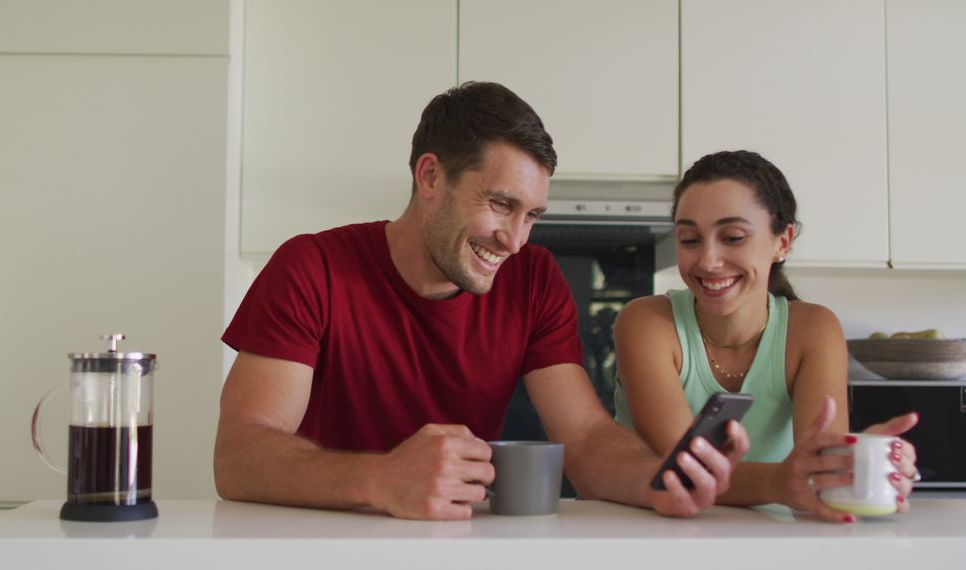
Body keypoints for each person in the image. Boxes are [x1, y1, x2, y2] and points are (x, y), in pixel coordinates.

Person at [214, 81, 750, 520]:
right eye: (500, 204)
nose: (515, 240)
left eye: (532, 216)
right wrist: (381, 479)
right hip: (316, 546)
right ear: (430, 176)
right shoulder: (312, 268)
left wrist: (657, 483)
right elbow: (240, 456)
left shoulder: (535, 278)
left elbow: (585, 438)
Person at [611, 150, 920, 523]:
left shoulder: (813, 330)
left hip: (770, 538)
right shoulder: (645, 322)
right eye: (690, 240)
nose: (708, 260)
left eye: (733, 237)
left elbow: (816, 468)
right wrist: (782, 482)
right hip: (645, 533)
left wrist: (859, 462)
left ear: (783, 241)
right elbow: (684, 469)